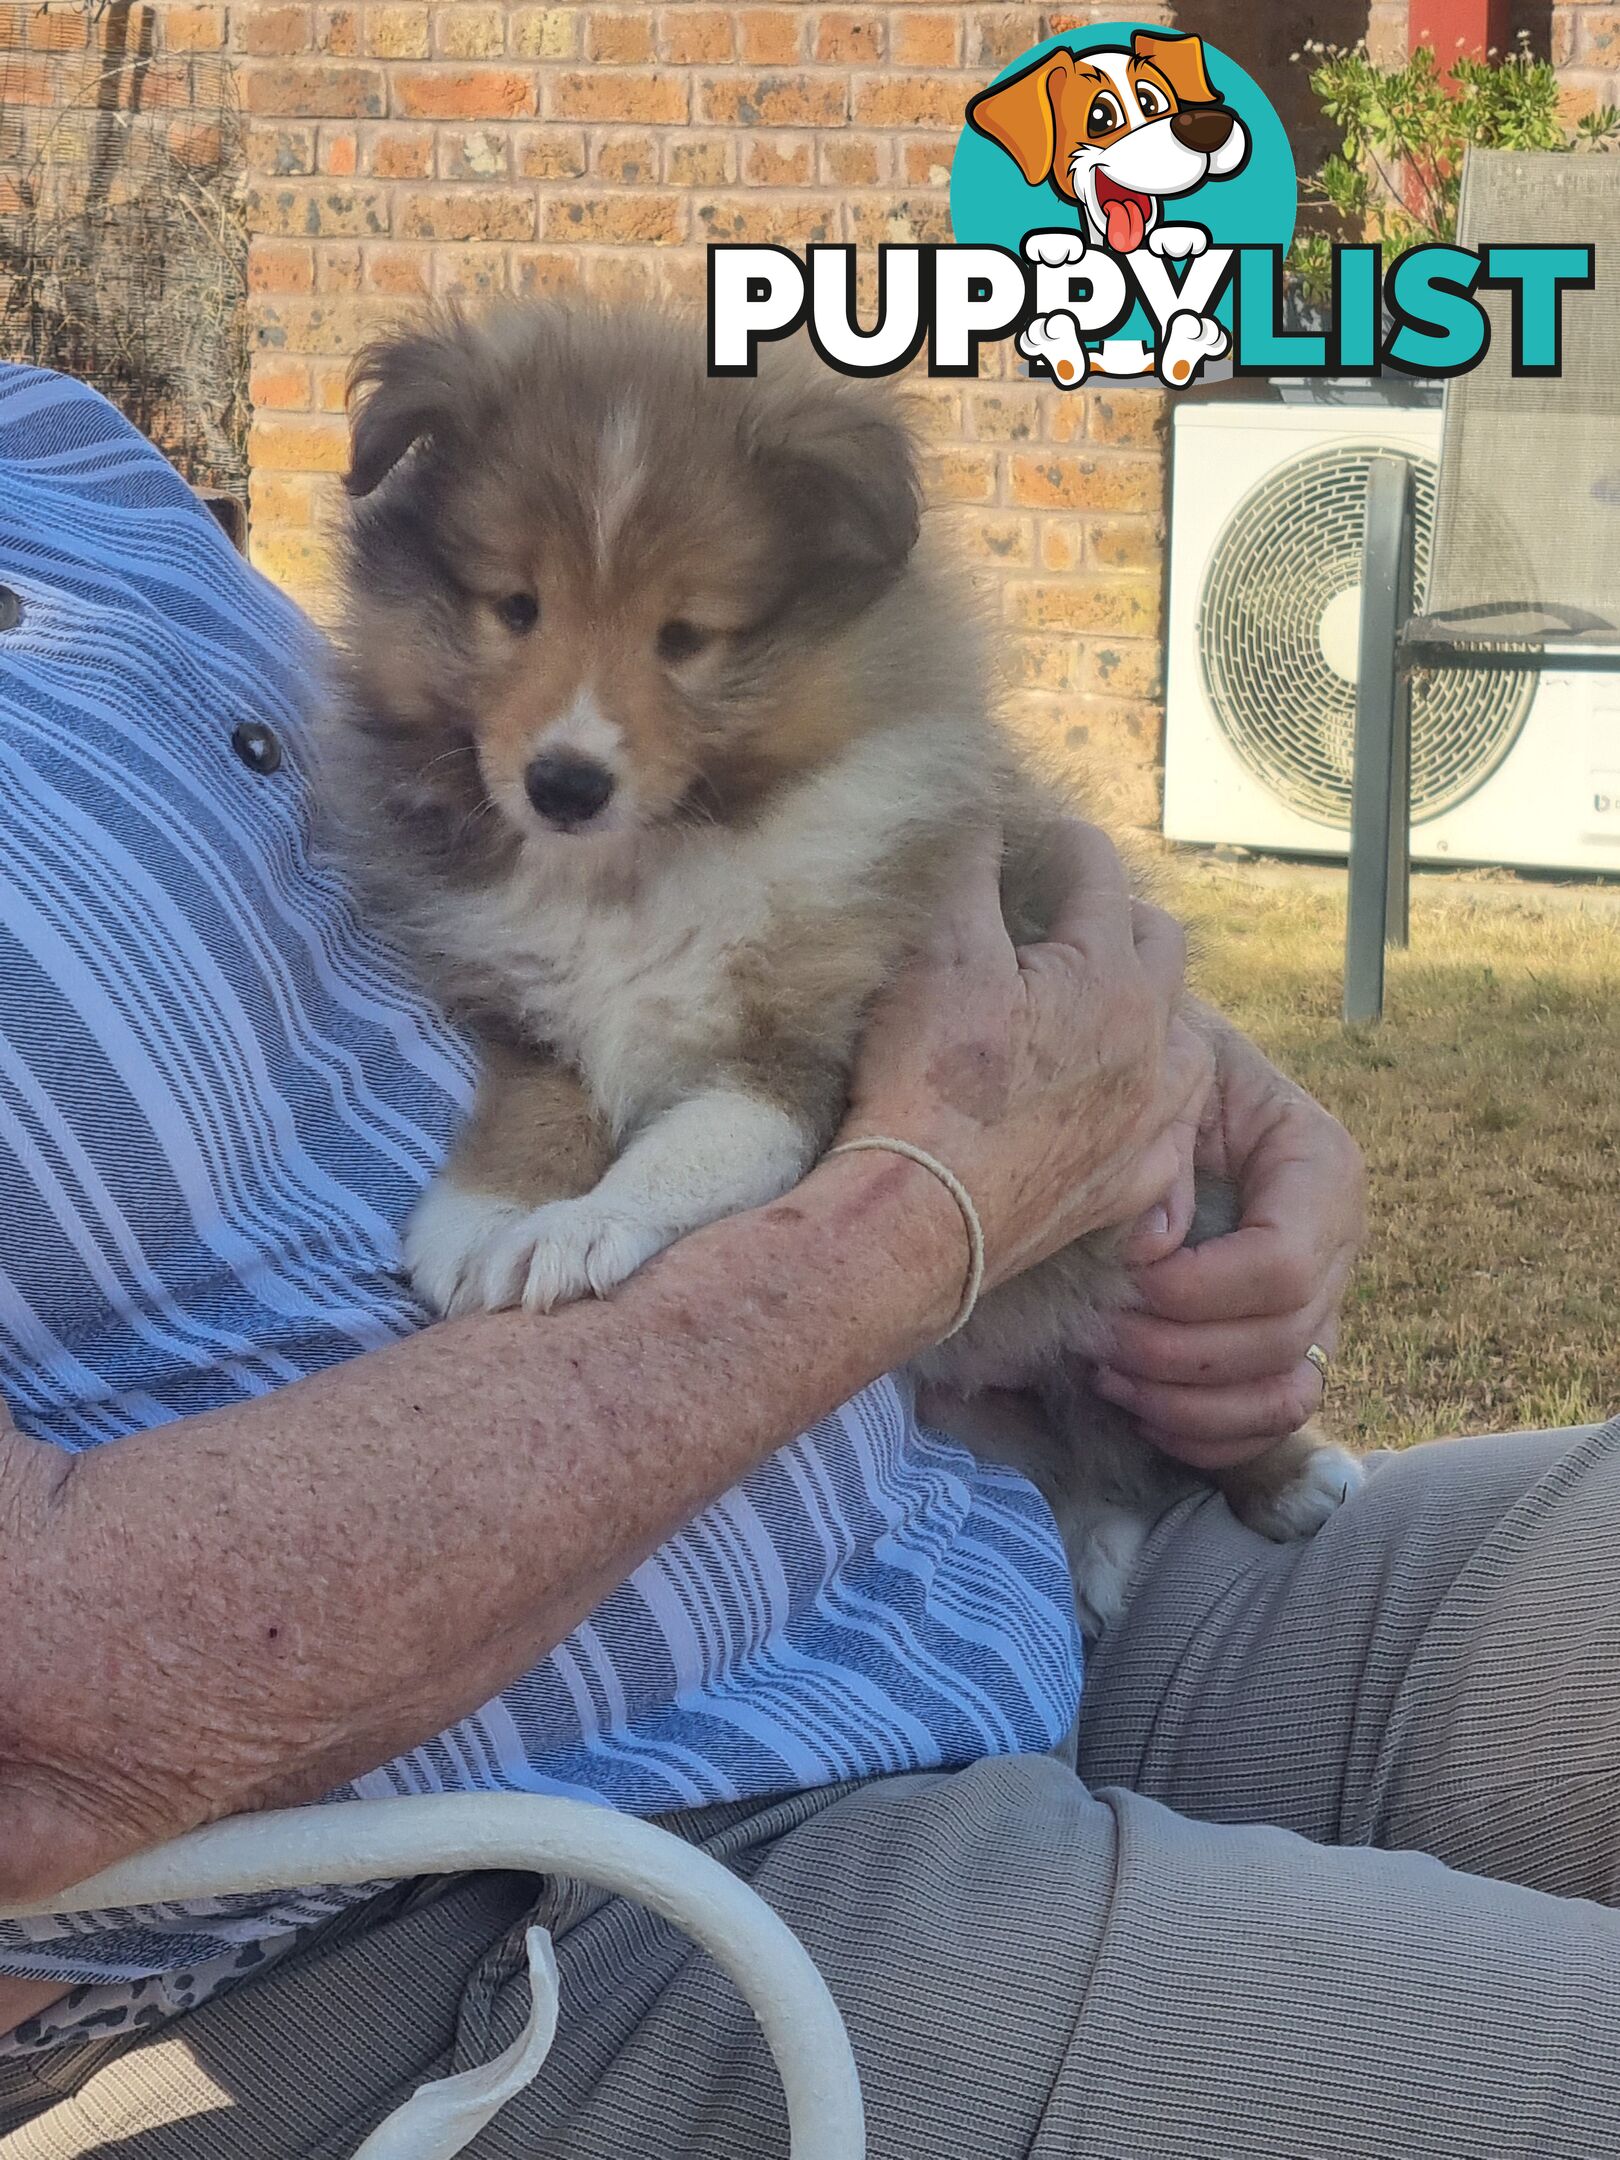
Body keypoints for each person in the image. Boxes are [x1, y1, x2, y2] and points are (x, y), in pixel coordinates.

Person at [0, 360, 1614, 2160]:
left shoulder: (49, 448)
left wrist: (1143, 1066)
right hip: (514, 1907)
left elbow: (602, 894)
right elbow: (46, 1721)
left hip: (985, 1545)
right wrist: (921, 1214)